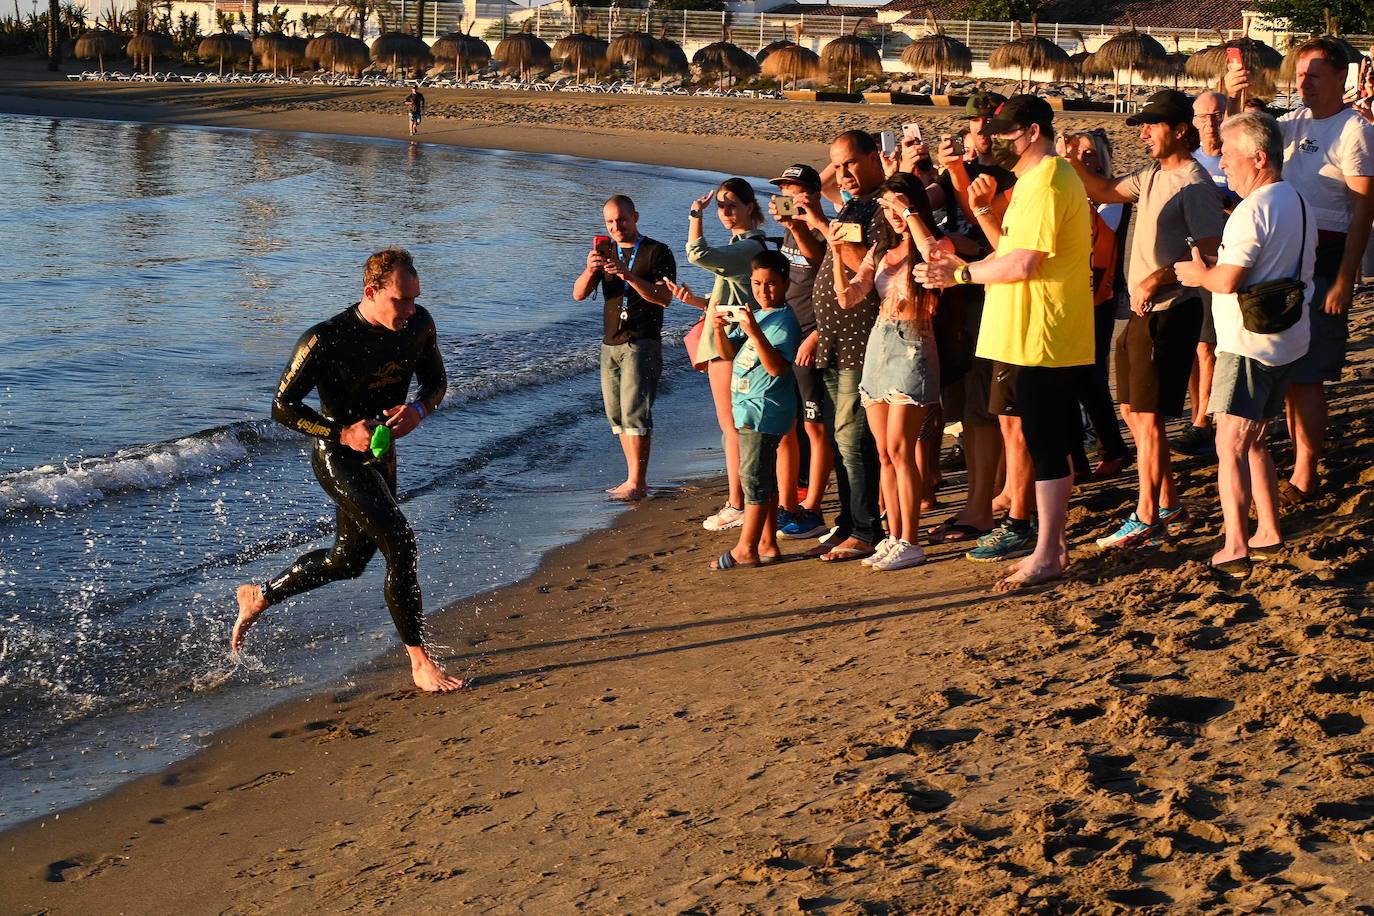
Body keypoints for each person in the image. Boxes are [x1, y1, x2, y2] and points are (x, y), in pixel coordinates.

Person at [232, 248, 464, 693]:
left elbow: (437, 382)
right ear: (370, 292)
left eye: (415, 298)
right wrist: (341, 433)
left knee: (349, 560)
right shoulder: (325, 338)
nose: (410, 310)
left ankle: (260, 595)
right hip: (337, 456)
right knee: (399, 540)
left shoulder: (419, 325)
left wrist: (419, 408)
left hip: (382, 454)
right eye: (400, 301)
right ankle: (419, 662)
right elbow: (283, 408)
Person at [916, 95, 1096, 591]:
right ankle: (1050, 546)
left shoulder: (1050, 180)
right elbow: (1010, 251)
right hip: (1025, 332)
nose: (997, 143)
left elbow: (1023, 264)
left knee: (1048, 441)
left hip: (1044, 332)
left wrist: (958, 274)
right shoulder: (1032, 183)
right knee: (1042, 439)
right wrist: (980, 214)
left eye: (1008, 134)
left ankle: (1048, 549)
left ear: (1034, 131)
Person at [1068, 89, 1228, 550]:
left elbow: (1211, 248)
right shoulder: (1153, 173)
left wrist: (1158, 276)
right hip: (1141, 312)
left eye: (1151, 125)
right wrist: (1073, 161)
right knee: (1131, 412)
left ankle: (1145, 515)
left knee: (1148, 416)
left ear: (1180, 130)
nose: (1143, 133)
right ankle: (1171, 505)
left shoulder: (1195, 183)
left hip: (1171, 311)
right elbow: (1100, 190)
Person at [1227, 38, 1374, 506]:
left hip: (1328, 255)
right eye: (1301, 74)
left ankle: (1305, 473)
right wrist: (1234, 95)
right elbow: (1242, 139)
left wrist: (1347, 277)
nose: (1303, 82)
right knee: (1285, 369)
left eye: (1313, 74)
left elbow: (1363, 210)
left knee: (1308, 374)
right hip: (1288, 255)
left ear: (1338, 79)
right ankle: (1294, 462)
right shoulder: (1290, 123)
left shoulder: (1355, 130)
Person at [1174, 111, 1316, 578]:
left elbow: (1230, 280)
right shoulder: (1295, 198)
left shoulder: (1253, 209)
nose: (1223, 164)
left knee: (1230, 444)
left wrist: (1198, 274)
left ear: (1258, 157)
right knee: (1255, 441)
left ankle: (1235, 542)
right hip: (1287, 339)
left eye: (1230, 156)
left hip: (1248, 344)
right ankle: (1269, 529)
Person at [831, 172, 946, 571]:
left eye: (899, 205)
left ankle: (911, 540)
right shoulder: (880, 249)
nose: (893, 213)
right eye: (888, 207)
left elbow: (935, 257)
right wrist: (833, 253)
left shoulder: (933, 243)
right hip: (878, 345)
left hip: (913, 343)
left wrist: (910, 213)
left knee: (901, 448)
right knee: (884, 452)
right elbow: (850, 297)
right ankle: (894, 536)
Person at [926, 93, 1022, 548]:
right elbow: (928, 203)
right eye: (972, 126)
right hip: (958, 304)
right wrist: (909, 175)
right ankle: (988, 497)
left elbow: (994, 234)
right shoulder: (962, 171)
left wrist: (959, 176)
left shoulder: (1011, 176)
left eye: (987, 124)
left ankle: (993, 501)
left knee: (995, 407)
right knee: (971, 406)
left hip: (992, 299)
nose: (979, 133)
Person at [807, 130, 892, 562]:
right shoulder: (855, 202)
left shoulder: (885, 204)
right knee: (842, 441)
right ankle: (848, 520)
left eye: (850, 164)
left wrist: (826, 228)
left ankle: (865, 527)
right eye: (836, 166)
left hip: (863, 340)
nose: (842, 174)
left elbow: (872, 271)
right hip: (835, 339)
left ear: (875, 157)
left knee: (853, 439)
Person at [669, 178, 771, 531]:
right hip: (732, 340)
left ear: (749, 207)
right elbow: (735, 296)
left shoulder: (747, 247)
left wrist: (695, 214)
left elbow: (697, 254)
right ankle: (742, 499)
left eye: (731, 205)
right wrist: (695, 301)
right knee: (736, 426)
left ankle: (737, 502)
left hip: (730, 345)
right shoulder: (742, 245)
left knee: (731, 428)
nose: (725, 212)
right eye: (720, 207)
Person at [571, 195, 677, 501]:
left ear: (635, 217)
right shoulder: (605, 253)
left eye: (622, 220)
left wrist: (627, 274)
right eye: (610, 222)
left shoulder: (657, 251)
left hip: (642, 340)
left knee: (636, 413)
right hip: (610, 342)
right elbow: (578, 295)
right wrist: (591, 271)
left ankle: (637, 482)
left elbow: (664, 298)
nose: (616, 227)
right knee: (616, 416)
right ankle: (631, 478)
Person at [708, 250, 803, 570]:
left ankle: (746, 548)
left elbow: (777, 368)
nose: (764, 291)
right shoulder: (757, 315)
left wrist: (753, 331)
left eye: (772, 284)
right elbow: (727, 354)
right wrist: (719, 328)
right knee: (762, 478)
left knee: (753, 479)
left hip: (766, 408)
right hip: (747, 407)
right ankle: (768, 543)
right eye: (758, 284)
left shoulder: (785, 320)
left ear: (786, 283)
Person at [1175, 90, 1241, 460]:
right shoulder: (1190, 162)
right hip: (1187, 265)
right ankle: (1199, 414)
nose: (1210, 123)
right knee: (1194, 347)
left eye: (1217, 115)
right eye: (1202, 117)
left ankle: (1202, 422)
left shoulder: (1235, 161)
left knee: (1209, 347)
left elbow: (1252, 207)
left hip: (1224, 265)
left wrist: (1228, 207)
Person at [768, 164, 833, 539]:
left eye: (795, 191)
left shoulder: (817, 230)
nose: (788, 198)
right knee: (787, 426)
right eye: (784, 191)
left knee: (815, 425)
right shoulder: (792, 233)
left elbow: (819, 263)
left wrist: (799, 222)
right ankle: (788, 503)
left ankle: (813, 508)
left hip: (812, 336)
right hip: (789, 336)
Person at [1062, 129, 1131, 481]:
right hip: (1073, 293)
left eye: (1089, 154)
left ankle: (1112, 448)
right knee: (1073, 379)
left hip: (1099, 296)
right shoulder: (1070, 190)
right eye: (1077, 153)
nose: (1083, 159)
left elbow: (1100, 231)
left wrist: (1075, 176)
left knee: (1089, 377)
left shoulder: (1112, 194)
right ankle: (1083, 455)